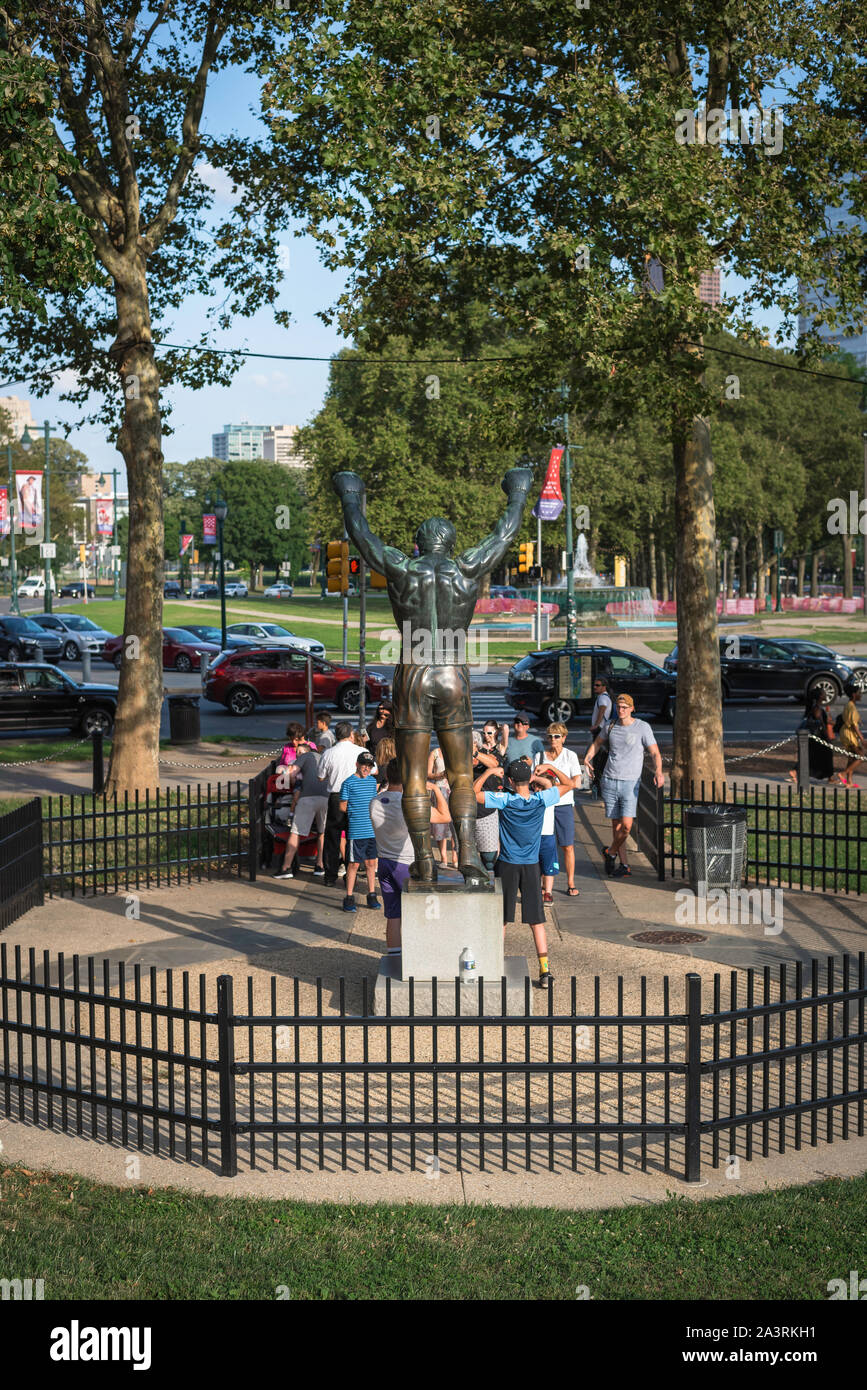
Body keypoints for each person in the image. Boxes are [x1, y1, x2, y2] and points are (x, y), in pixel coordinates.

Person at [474, 756, 574, 988]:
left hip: (507, 863)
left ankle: (495, 964)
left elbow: (472, 793)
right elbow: (570, 785)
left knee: (501, 919)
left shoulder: (504, 800)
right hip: (531, 865)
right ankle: (545, 970)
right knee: (536, 921)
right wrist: (549, 769)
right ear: (529, 779)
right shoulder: (540, 799)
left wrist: (489, 773)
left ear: (509, 779)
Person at [370, 757, 453, 960]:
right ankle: (421, 954)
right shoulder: (411, 805)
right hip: (407, 863)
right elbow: (445, 816)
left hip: (384, 862)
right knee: (418, 911)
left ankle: (394, 957)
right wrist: (433, 788)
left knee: (393, 913)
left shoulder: (375, 801)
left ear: (387, 775)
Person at [585, 693, 664, 877]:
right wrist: (588, 757)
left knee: (627, 826)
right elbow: (597, 743)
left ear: (632, 708)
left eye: (625, 707)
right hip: (610, 780)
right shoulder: (610, 725)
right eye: (619, 707)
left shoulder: (642, 727)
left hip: (630, 783)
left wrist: (659, 771)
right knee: (616, 827)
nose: (621, 710)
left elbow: (655, 753)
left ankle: (610, 853)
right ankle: (624, 865)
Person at [274, 742, 327, 879]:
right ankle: (320, 865)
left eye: (298, 752)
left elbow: (291, 774)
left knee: (295, 832)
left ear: (305, 751)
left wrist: (291, 782)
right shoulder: (323, 757)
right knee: (322, 831)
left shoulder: (305, 756)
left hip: (308, 797)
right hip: (326, 797)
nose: (297, 754)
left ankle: (286, 868)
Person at [317, 722, 361, 885]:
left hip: (336, 796)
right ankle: (352, 874)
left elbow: (320, 776)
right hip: (356, 797)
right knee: (353, 837)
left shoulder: (329, 753)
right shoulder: (360, 751)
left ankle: (330, 875)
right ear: (351, 735)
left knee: (332, 837)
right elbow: (374, 770)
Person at [339, 751, 381, 911]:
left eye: (369, 766)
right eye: (364, 765)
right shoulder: (348, 782)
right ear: (357, 764)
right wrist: (354, 812)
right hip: (356, 830)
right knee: (353, 864)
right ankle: (349, 897)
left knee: (371, 863)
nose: (366, 769)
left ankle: (371, 894)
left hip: (371, 830)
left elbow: (373, 801)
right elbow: (342, 805)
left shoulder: (372, 782)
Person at [545, 722, 582, 895]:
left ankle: (571, 882)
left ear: (564, 738)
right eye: (550, 736)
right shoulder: (540, 756)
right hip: (545, 805)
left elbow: (576, 783)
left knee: (567, 845)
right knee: (545, 845)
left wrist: (554, 781)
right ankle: (546, 885)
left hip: (564, 805)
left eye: (557, 736)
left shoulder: (570, 756)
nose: (553, 739)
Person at [788, 689, 839, 784]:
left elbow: (824, 721)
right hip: (818, 737)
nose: (825, 694)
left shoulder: (816, 707)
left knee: (813, 756)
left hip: (815, 737)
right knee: (823, 755)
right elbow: (821, 724)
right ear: (820, 696)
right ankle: (829, 777)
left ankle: (829, 777)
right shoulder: (817, 708)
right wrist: (827, 737)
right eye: (823, 693)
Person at [473, 723, 505, 871]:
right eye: (484, 733)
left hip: (488, 809)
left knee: (489, 857)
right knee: (469, 857)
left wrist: (475, 754)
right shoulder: (463, 755)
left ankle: (491, 884)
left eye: (489, 733)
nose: (486, 736)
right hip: (467, 809)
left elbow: (494, 763)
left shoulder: (491, 752)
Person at [428, 747, 457, 868]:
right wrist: (440, 775)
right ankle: (443, 857)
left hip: (454, 788)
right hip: (439, 788)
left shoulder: (456, 750)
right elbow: (428, 773)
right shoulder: (434, 753)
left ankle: (455, 857)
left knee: (455, 823)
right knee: (440, 825)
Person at [838, 683, 865, 788]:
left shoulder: (849, 704)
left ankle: (849, 782)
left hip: (846, 732)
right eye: (859, 693)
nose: (861, 695)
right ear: (854, 695)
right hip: (849, 734)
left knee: (852, 758)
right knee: (861, 756)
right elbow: (854, 726)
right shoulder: (852, 707)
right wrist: (862, 740)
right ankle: (843, 774)